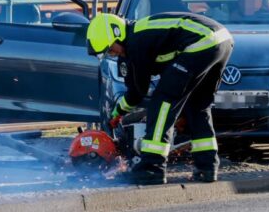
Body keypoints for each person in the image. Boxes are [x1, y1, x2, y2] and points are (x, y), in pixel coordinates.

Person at [87, 12, 233, 185]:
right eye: (108, 53)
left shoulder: (136, 42)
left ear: (117, 34)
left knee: (163, 102)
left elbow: (138, 91)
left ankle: (151, 168)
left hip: (203, 41)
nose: (113, 54)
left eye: (111, 49)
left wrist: (118, 111)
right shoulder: (137, 38)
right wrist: (119, 111)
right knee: (197, 105)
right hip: (222, 40)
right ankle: (207, 167)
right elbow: (136, 88)